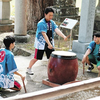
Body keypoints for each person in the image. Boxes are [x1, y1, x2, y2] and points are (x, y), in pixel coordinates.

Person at [26, 7, 70, 75]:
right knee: (36, 57)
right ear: (45, 14)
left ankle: (52, 70)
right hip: (41, 43)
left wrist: (63, 36)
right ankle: (29, 68)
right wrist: (49, 44)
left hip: (50, 42)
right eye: (49, 15)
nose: (51, 17)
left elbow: (56, 30)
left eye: (52, 15)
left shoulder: (52, 22)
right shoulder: (41, 23)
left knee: (51, 57)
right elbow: (44, 34)